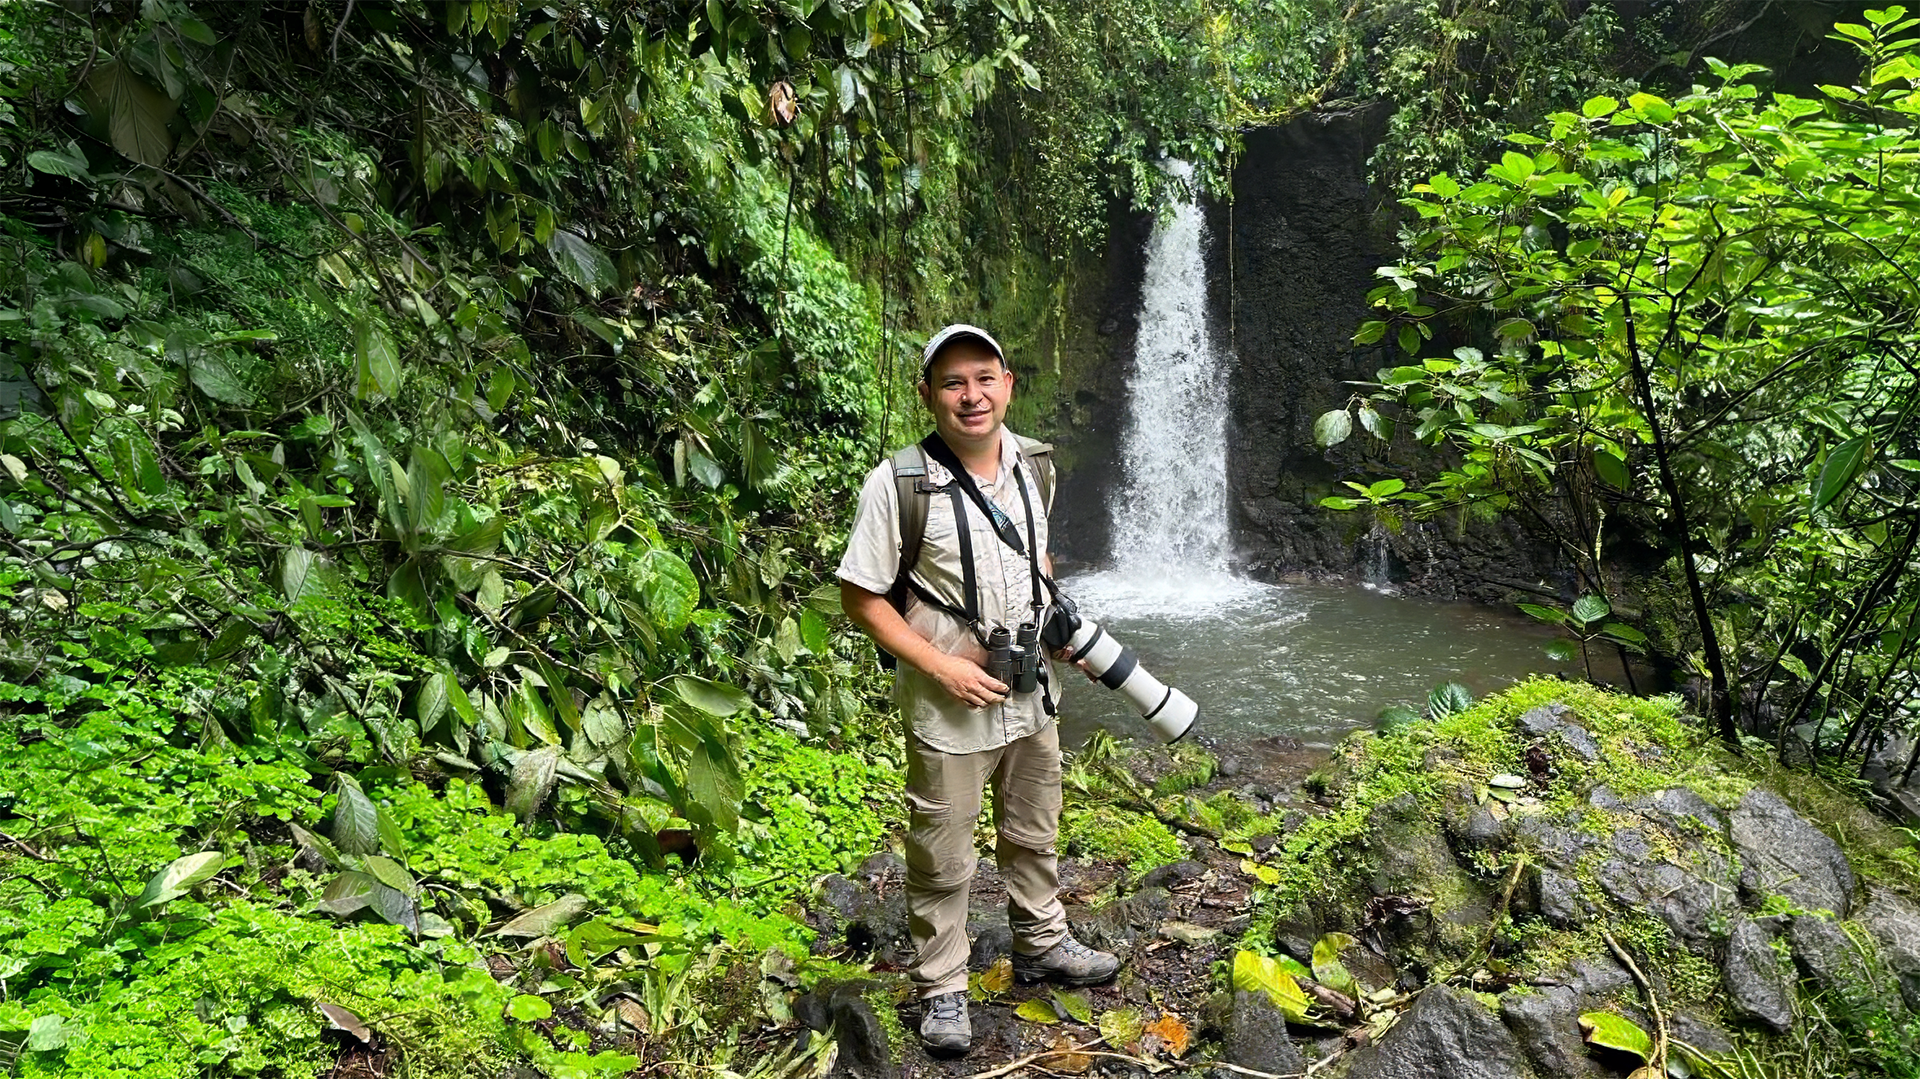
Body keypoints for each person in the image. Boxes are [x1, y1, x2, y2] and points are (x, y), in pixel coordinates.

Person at [836, 324, 1121, 1057]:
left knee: (1035, 826)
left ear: (1008, 385)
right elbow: (862, 598)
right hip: (948, 703)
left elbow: (1037, 556)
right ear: (928, 393)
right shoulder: (897, 482)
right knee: (942, 848)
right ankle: (942, 988)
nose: (973, 395)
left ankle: (1042, 941)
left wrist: (1058, 627)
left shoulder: (1033, 464)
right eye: (955, 381)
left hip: (1031, 690)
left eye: (985, 377)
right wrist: (943, 665)